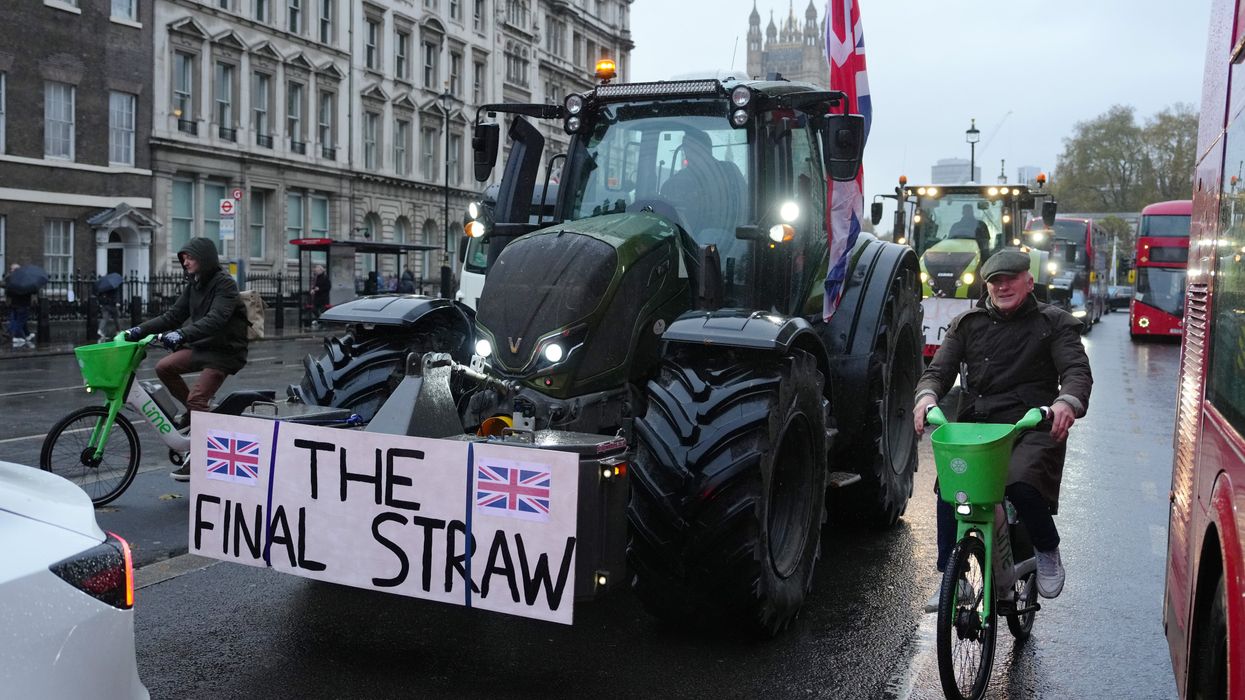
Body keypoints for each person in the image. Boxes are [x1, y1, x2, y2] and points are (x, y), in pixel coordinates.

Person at [912, 248, 1092, 611]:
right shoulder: (968, 323)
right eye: (995, 281)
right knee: (951, 489)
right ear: (987, 286)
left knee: (1020, 483)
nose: (1003, 286)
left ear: (1029, 281)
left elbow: (1076, 372)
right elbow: (938, 371)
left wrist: (1065, 403)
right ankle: (953, 577)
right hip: (978, 427)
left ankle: (1046, 549)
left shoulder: (1054, 322)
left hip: (1031, 424)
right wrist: (926, 397)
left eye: (1010, 279)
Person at [125, 237, 250, 481]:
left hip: (225, 351)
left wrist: (181, 334)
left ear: (204, 259)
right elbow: (173, 315)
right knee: (164, 367)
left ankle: (200, 456)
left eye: (190, 258)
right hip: (203, 346)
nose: (185, 262)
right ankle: (195, 414)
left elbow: (216, 319)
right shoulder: (194, 284)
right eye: (183, 258)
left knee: (197, 398)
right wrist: (139, 330)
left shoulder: (224, 285)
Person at [660, 129, 747, 236]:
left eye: (694, 150)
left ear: (707, 151)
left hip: (729, 238)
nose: (689, 154)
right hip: (685, 240)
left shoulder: (730, 173)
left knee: (708, 235)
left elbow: (745, 206)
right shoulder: (675, 183)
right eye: (686, 150)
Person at [4, 263, 35, 348]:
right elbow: (31, 291)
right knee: (19, 321)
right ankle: (16, 336)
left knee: (19, 320)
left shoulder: (9, 279)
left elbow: (8, 293)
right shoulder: (22, 280)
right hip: (22, 304)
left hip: (14, 304)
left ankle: (27, 335)